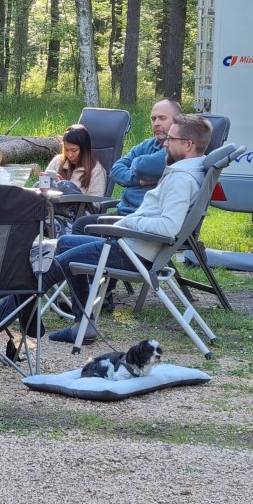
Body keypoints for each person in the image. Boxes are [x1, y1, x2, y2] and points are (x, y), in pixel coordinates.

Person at [46, 114, 213, 344]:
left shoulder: (181, 179)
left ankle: (2, 314)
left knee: (57, 265)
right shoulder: (191, 170)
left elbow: (167, 227)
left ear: (188, 145)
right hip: (135, 247)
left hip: (133, 253)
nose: (165, 143)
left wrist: (127, 222)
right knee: (65, 243)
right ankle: (82, 325)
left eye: (171, 139)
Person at [71, 99, 182, 235]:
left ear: (177, 121)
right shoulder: (147, 145)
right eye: (153, 119)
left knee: (79, 229)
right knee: (81, 225)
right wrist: (138, 180)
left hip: (142, 221)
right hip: (124, 213)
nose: (156, 123)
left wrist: (135, 163)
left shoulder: (176, 150)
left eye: (162, 118)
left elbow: (143, 166)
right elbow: (116, 170)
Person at [45, 124, 107, 196]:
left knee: (66, 186)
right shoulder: (57, 161)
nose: (70, 155)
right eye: (66, 150)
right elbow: (42, 186)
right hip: (51, 201)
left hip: (77, 203)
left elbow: (95, 200)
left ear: (84, 149)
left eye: (74, 150)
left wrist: (66, 188)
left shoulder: (96, 170)